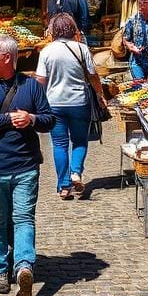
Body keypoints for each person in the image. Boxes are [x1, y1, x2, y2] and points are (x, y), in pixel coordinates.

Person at [0, 34, 55, 296]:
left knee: (23, 217)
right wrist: (9, 118)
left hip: (26, 165)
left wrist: (31, 118)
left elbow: (48, 119)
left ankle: (23, 267)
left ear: (7, 57)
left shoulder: (31, 87)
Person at [34, 13, 106, 199]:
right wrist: (99, 94)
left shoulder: (47, 52)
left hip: (54, 103)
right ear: (72, 28)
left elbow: (40, 80)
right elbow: (93, 76)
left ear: (53, 30)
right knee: (80, 140)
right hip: (79, 102)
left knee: (59, 144)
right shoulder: (82, 49)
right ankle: (76, 173)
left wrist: (36, 101)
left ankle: (64, 186)